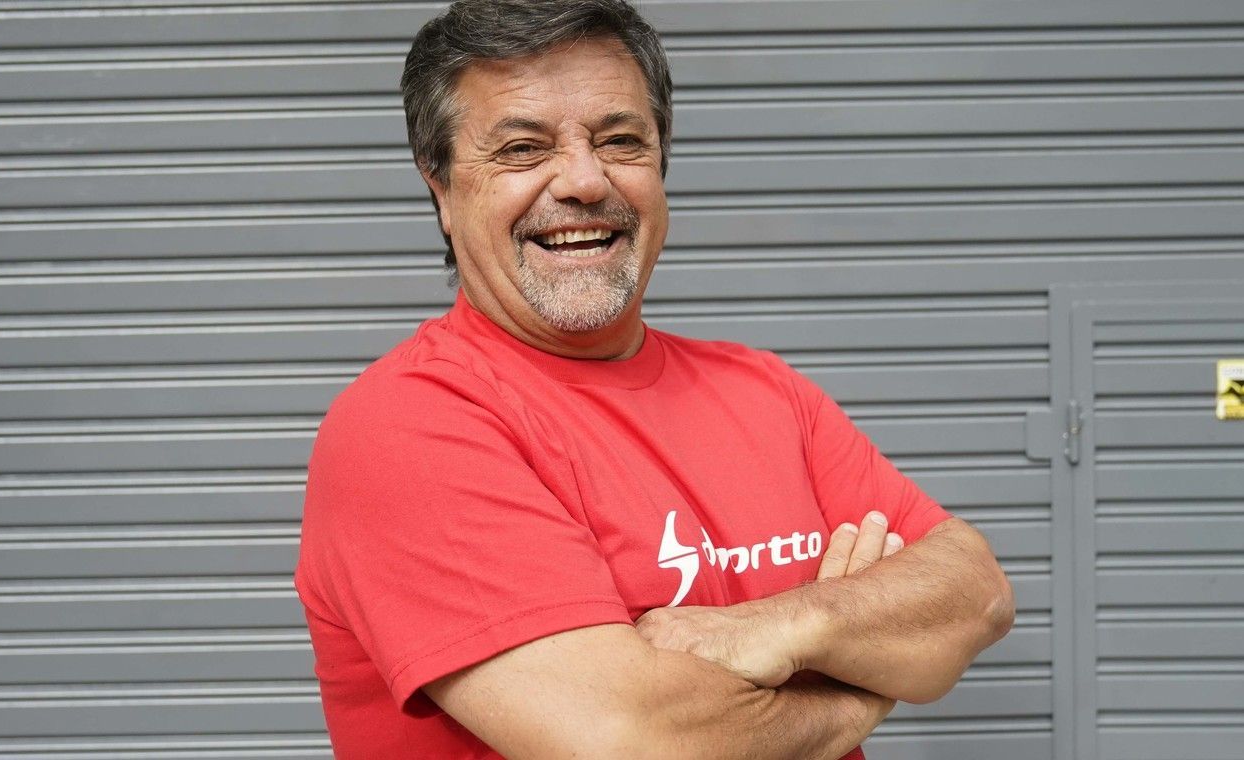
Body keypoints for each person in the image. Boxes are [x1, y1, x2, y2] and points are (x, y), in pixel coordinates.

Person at [294, 1, 1015, 757]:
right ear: (440, 188)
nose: (581, 180)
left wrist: (787, 626)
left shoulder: (764, 391)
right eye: (521, 149)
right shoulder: (408, 427)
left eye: (620, 140)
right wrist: (857, 683)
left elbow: (977, 591)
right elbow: (632, 737)